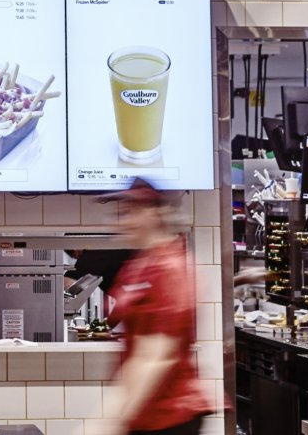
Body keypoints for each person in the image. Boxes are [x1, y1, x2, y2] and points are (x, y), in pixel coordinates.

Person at [94, 178, 214, 435]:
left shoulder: (171, 267)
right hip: (144, 415)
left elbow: (157, 356)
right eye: (122, 213)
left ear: (156, 213)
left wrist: (107, 422)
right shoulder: (137, 266)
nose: (123, 221)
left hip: (171, 417)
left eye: (132, 212)